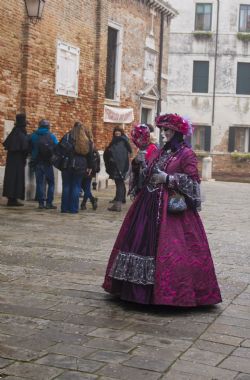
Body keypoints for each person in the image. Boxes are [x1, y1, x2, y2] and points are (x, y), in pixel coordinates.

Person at [102, 113, 222, 306]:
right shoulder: (160, 151)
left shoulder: (186, 154)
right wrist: (140, 165)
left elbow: (193, 184)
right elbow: (146, 177)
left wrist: (169, 179)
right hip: (147, 207)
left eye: (167, 130)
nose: (164, 133)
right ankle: (134, 290)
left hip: (172, 211)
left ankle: (170, 294)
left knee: (173, 250)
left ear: (177, 132)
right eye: (163, 130)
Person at [60, 122, 92, 214]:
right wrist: (90, 166)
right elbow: (89, 154)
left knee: (66, 186)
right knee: (76, 186)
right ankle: (73, 209)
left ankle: (64, 208)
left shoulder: (67, 137)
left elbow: (60, 149)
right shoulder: (85, 140)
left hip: (67, 164)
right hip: (81, 164)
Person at [2, 113, 29, 206]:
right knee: (16, 179)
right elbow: (25, 148)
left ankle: (11, 199)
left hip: (11, 161)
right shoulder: (21, 133)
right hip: (18, 161)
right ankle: (13, 199)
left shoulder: (14, 133)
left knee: (11, 179)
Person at [30, 119, 58, 209]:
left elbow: (29, 147)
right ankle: (49, 202)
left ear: (39, 126)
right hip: (48, 162)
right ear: (48, 126)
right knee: (51, 183)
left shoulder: (33, 136)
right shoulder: (51, 136)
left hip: (37, 162)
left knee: (39, 183)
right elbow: (57, 147)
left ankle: (41, 203)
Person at [104, 126, 132, 212]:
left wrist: (119, 169)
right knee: (120, 184)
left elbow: (120, 156)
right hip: (119, 167)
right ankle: (119, 200)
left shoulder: (120, 141)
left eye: (118, 131)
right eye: (116, 131)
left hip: (118, 167)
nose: (117, 133)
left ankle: (117, 205)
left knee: (119, 184)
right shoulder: (119, 140)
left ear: (121, 132)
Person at [80, 133, 100, 211]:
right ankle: (91, 200)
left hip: (86, 168)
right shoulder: (93, 146)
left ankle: (85, 203)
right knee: (86, 187)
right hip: (91, 170)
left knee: (84, 187)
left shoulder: (85, 145)